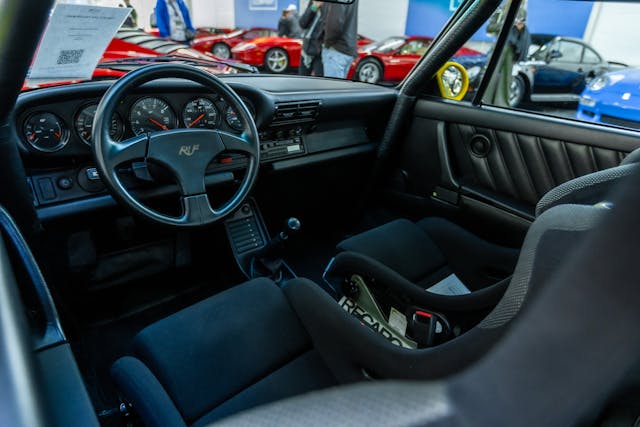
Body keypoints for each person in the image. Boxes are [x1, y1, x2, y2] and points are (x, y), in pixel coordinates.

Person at [322, 0, 358, 78]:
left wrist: (327, 42)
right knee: (338, 88)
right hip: (346, 49)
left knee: (332, 88)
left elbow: (334, 24)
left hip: (336, 50)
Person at [298, 1, 324, 76]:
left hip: (320, 51)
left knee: (319, 81)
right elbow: (302, 23)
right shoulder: (313, 3)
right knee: (302, 80)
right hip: (307, 49)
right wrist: (314, 7)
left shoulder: (329, 5)